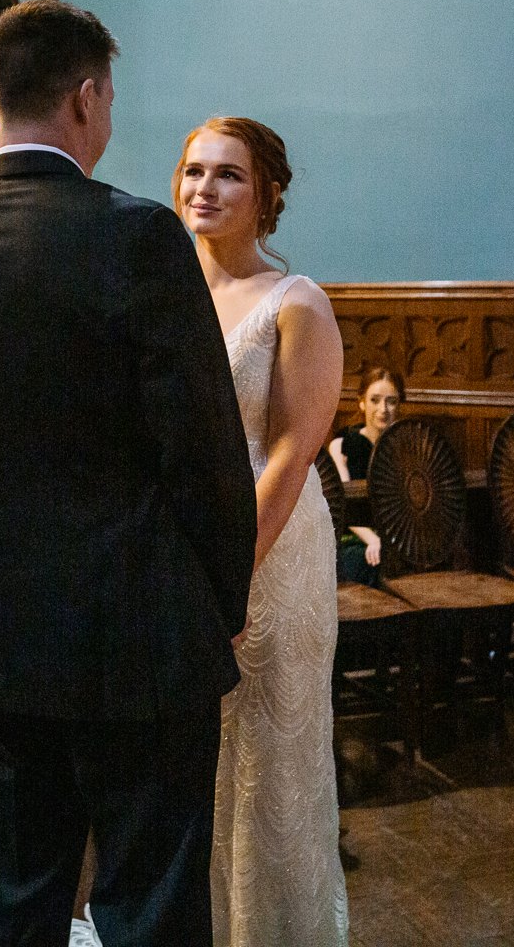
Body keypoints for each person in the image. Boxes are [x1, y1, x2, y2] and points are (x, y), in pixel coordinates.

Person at [0, 0, 257, 947]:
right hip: (138, 626)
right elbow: (203, 451)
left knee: (16, 893)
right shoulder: (135, 236)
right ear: (86, 98)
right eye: (111, 97)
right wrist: (219, 596)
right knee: (151, 900)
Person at [177, 116, 347, 946]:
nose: (204, 188)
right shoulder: (171, 292)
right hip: (185, 543)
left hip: (270, 547)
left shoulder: (295, 301)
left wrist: (230, 572)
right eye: (193, 171)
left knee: (269, 764)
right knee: (197, 765)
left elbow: (291, 448)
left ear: (266, 196)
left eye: (228, 175)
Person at [327, 367, 398, 587]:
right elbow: (343, 505)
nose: (383, 409)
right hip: (354, 537)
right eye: (375, 400)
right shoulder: (342, 446)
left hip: (397, 537)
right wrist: (373, 539)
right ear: (362, 402)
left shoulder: (406, 446)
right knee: (368, 561)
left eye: (391, 401)